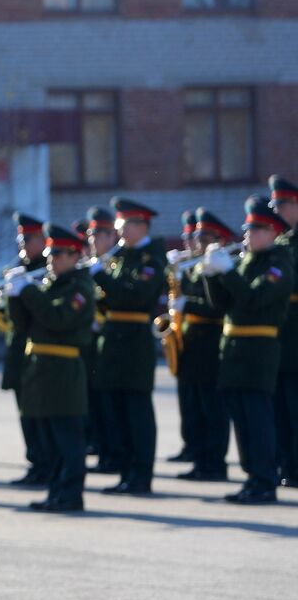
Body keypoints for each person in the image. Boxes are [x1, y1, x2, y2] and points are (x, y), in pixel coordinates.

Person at [198, 195, 294, 504]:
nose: (248, 235)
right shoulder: (246, 261)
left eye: (257, 230)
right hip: (235, 350)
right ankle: (252, 476)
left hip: (259, 349)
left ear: (273, 232)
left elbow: (253, 299)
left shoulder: (279, 264)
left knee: (257, 418)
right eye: (248, 229)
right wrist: (212, 276)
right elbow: (221, 304)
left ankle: (265, 479)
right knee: (240, 417)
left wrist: (227, 272)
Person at [12, 223, 96, 512]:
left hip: (63, 371)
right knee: (49, 439)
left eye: (59, 254)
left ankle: (71, 494)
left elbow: (57, 317)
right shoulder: (51, 284)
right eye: (50, 254)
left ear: (75, 256)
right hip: (43, 370)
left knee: (68, 440)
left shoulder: (80, 287)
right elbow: (24, 325)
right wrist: (15, 298)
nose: (52, 260)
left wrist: (28, 293)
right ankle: (55, 492)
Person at [94, 197, 168, 495]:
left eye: (124, 225)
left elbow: (134, 296)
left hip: (135, 341)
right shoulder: (122, 256)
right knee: (118, 412)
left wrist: (99, 276)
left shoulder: (151, 258)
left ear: (140, 225)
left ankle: (141, 474)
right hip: (114, 340)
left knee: (137, 412)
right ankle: (126, 472)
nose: (120, 231)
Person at [172, 209, 234, 481]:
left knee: (212, 408)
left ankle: (214, 463)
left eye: (203, 236)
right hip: (192, 344)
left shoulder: (219, 264)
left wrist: (189, 304)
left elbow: (218, 307)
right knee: (195, 405)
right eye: (196, 235)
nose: (196, 241)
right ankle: (199, 458)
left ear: (218, 238)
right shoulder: (196, 266)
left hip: (210, 342)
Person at [3, 212, 51, 486]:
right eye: (20, 237)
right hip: (19, 350)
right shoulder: (19, 267)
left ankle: (44, 463)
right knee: (25, 412)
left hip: (38, 352)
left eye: (27, 238)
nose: (21, 243)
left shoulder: (46, 268)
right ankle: (35, 461)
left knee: (39, 412)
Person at [81, 206, 117, 470]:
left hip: (112, 339)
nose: (93, 241)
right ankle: (104, 450)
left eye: (98, 235)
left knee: (109, 405)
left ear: (110, 236)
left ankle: (112, 453)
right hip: (92, 341)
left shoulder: (113, 264)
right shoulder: (94, 264)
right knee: (96, 401)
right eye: (91, 235)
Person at [269, 175, 298, 488]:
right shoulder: (280, 243)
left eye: (282, 204)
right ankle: (286, 463)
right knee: (279, 405)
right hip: (280, 334)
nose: (277, 211)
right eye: (274, 204)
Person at [166, 210, 201, 464]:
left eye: (194, 238)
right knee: (187, 399)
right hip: (185, 337)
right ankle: (190, 445)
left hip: (205, 340)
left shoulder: (209, 266)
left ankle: (207, 455)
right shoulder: (186, 267)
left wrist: (186, 305)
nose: (189, 244)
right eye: (186, 238)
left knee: (206, 404)